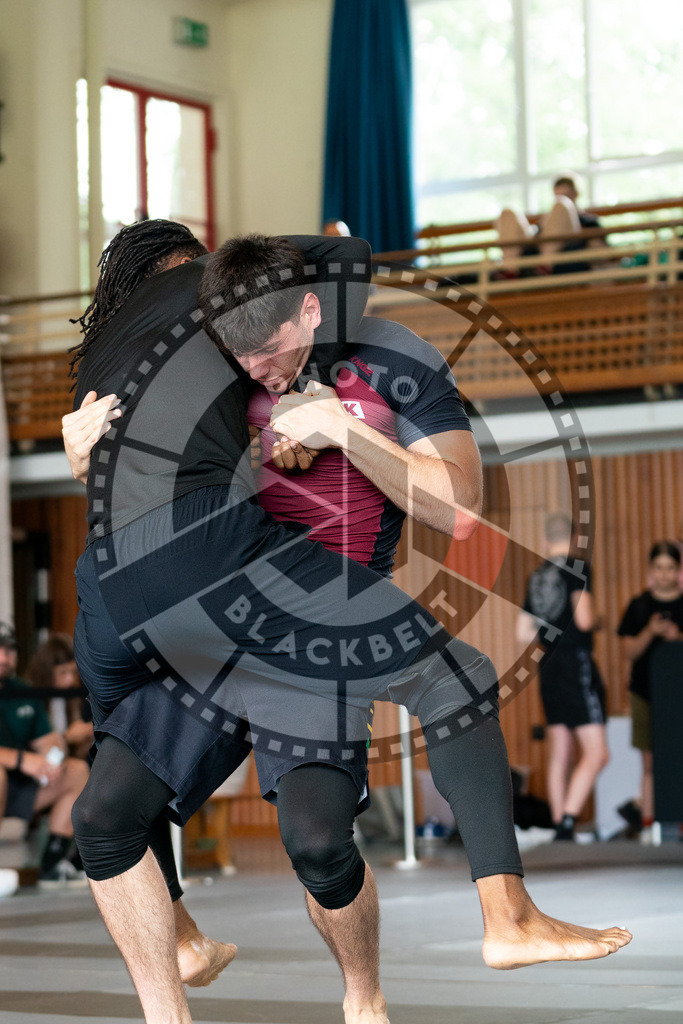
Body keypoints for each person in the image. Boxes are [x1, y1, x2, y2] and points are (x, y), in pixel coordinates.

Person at [64, 221, 630, 1024]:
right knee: (104, 814)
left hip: (302, 620)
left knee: (319, 841)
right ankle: (500, 916)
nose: (249, 358)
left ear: (304, 307)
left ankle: (364, 1001)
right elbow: (153, 467)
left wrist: (342, 428)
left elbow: (458, 507)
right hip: (218, 598)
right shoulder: (219, 354)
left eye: (263, 339)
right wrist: (89, 456)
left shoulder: (390, 356)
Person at [516, 514, 609, 841]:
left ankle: (560, 828)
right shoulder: (577, 568)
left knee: (561, 752)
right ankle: (568, 819)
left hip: (548, 663)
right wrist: (598, 620)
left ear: (545, 541)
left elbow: (522, 632)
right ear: (573, 538)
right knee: (598, 753)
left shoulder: (537, 576)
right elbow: (583, 620)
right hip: (574, 662)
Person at [0, 623, 89, 887]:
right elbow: (23, 760)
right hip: (5, 777)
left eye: (10, 650)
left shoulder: (23, 691)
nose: (4, 657)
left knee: (76, 771)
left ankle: (53, 864)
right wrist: (21, 760)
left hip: (19, 787)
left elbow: (48, 741)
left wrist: (54, 755)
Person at [618, 541, 683, 843]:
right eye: (659, 567)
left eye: (670, 568)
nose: (664, 574)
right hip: (644, 694)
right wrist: (650, 632)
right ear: (651, 570)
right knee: (649, 763)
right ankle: (648, 823)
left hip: (678, 698)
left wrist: (677, 637)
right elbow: (628, 650)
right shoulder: (639, 606)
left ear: (678, 570)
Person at [495, 174, 603, 274]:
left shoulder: (588, 222)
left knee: (561, 206)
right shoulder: (544, 223)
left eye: (566, 196)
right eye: (557, 196)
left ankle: (545, 265)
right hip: (537, 254)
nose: (560, 199)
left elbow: (599, 250)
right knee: (507, 212)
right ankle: (510, 270)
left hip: (566, 258)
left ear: (576, 194)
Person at [26, 634, 93, 760]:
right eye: (63, 672)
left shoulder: (71, 696)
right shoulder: (30, 697)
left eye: (73, 672)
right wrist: (67, 737)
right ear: (47, 671)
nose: (70, 679)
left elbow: (75, 753)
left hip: (65, 759)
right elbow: (35, 746)